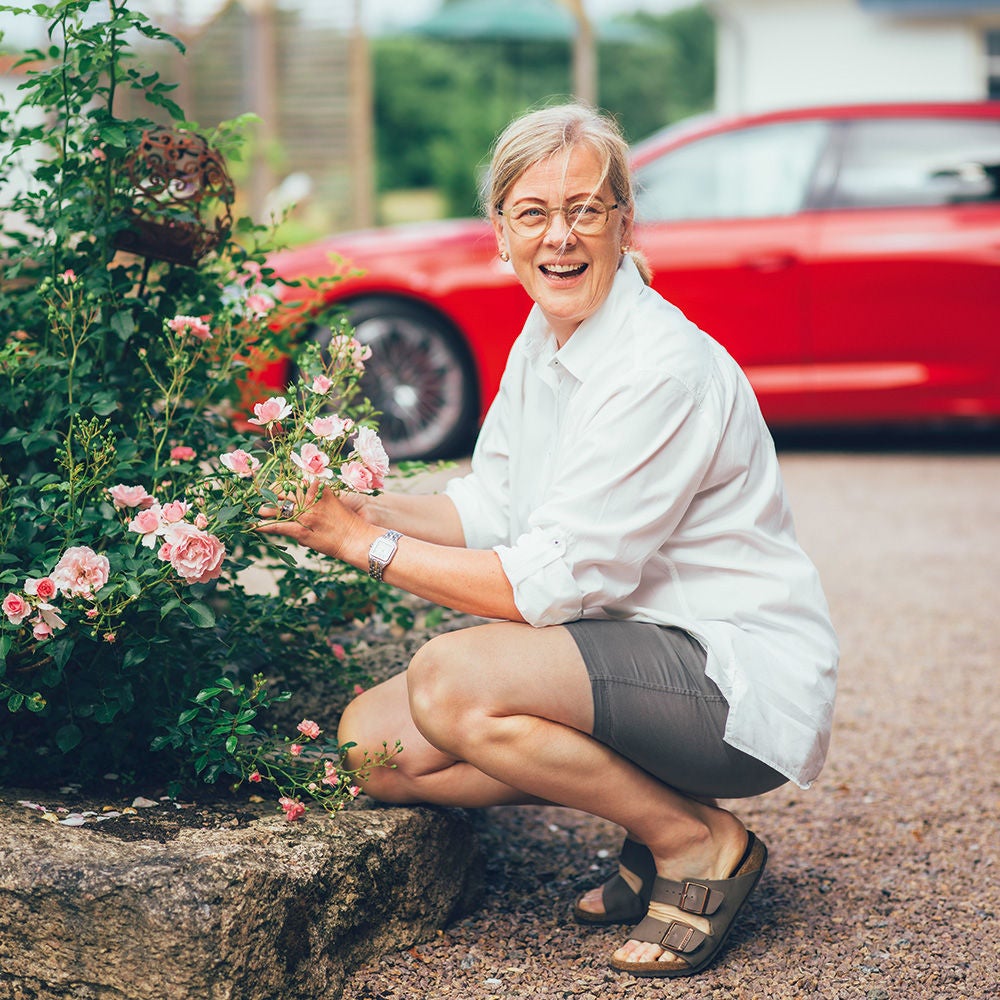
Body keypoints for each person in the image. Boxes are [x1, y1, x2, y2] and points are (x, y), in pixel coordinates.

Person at [257, 102, 838, 979]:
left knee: (452, 682)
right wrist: (348, 507)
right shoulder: (549, 331)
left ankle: (697, 842)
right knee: (366, 751)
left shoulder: (658, 368)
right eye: (533, 213)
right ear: (499, 230)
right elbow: (492, 505)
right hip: (627, 654)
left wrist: (359, 548)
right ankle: (657, 812)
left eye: (585, 209)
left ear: (624, 222)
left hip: (727, 680)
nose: (559, 237)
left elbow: (545, 586)